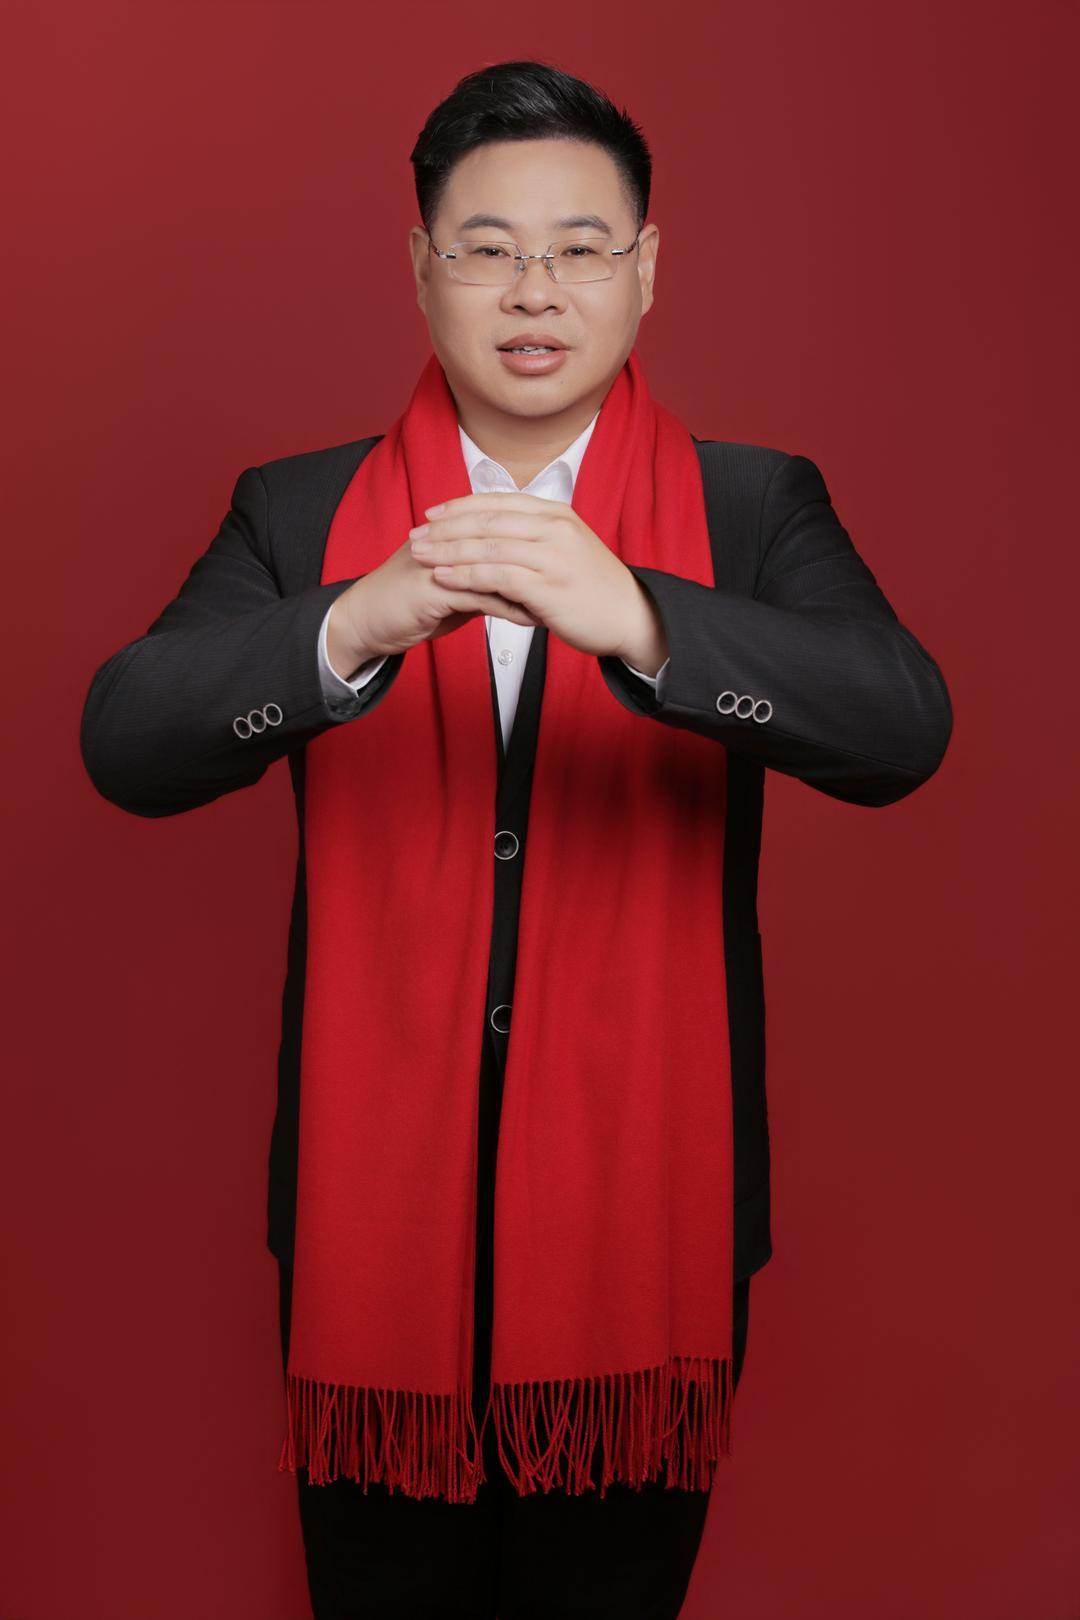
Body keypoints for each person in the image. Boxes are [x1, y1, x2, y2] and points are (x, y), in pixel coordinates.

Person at [80, 57, 953, 1620]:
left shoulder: (753, 507)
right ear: (423, 270)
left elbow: (902, 726)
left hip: (649, 1230)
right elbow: (128, 743)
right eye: (486, 248)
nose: (534, 289)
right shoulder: (300, 510)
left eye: (579, 246)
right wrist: (355, 621)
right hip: (365, 1245)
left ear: (647, 268)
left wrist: (648, 620)